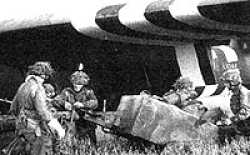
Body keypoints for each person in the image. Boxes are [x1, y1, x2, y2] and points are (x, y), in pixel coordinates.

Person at [7, 61, 65, 155]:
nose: (44, 79)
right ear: (42, 76)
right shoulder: (38, 88)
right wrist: (57, 127)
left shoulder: (22, 86)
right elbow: (43, 112)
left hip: (22, 126)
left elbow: (13, 107)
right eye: (45, 77)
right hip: (34, 128)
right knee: (41, 149)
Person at [54, 63, 98, 146]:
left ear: (84, 84)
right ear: (72, 82)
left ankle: (92, 147)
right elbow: (56, 100)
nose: (77, 86)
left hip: (86, 118)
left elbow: (95, 102)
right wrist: (64, 103)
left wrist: (83, 104)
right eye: (75, 84)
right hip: (72, 119)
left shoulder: (88, 92)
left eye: (80, 85)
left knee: (90, 133)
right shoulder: (67, 91)